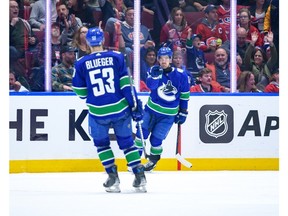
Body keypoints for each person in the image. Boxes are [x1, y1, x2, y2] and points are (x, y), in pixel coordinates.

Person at [72, 27, 147, 193]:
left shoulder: (81, 63)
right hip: (120, 108)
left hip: (98, 112)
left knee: (101, 145)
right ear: (103, 41)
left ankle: (113, 177)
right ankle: (139, 175)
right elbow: (126, 85)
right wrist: (134, 106)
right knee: (127, 143)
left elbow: (79, 91)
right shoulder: (117, 57)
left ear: (87, 43)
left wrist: (91, 96)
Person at [134, 47, 190, 171]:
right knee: (141, 135)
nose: (164, 61)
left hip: (168, 115)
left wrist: (183, 111)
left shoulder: (181, 75)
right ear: (158, 59)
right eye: (161, 58)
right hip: (150, 111)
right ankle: (135, 162)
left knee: (156, 140)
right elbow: (151, 86)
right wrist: (154, 77)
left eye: (166, 58)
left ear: (170, 59)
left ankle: (152, 162)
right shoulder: (153, 71)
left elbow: (184, 95)